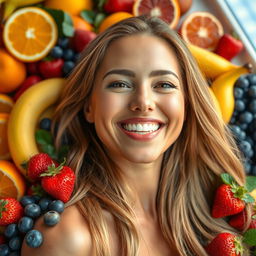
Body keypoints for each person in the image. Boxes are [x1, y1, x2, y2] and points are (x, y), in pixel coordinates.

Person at [21, 15, 250, 256]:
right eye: (119, 84)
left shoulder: (223, 220)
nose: (143, 102)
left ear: (187, 104)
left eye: (164, 84)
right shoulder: (66, 238)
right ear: (90, 106)